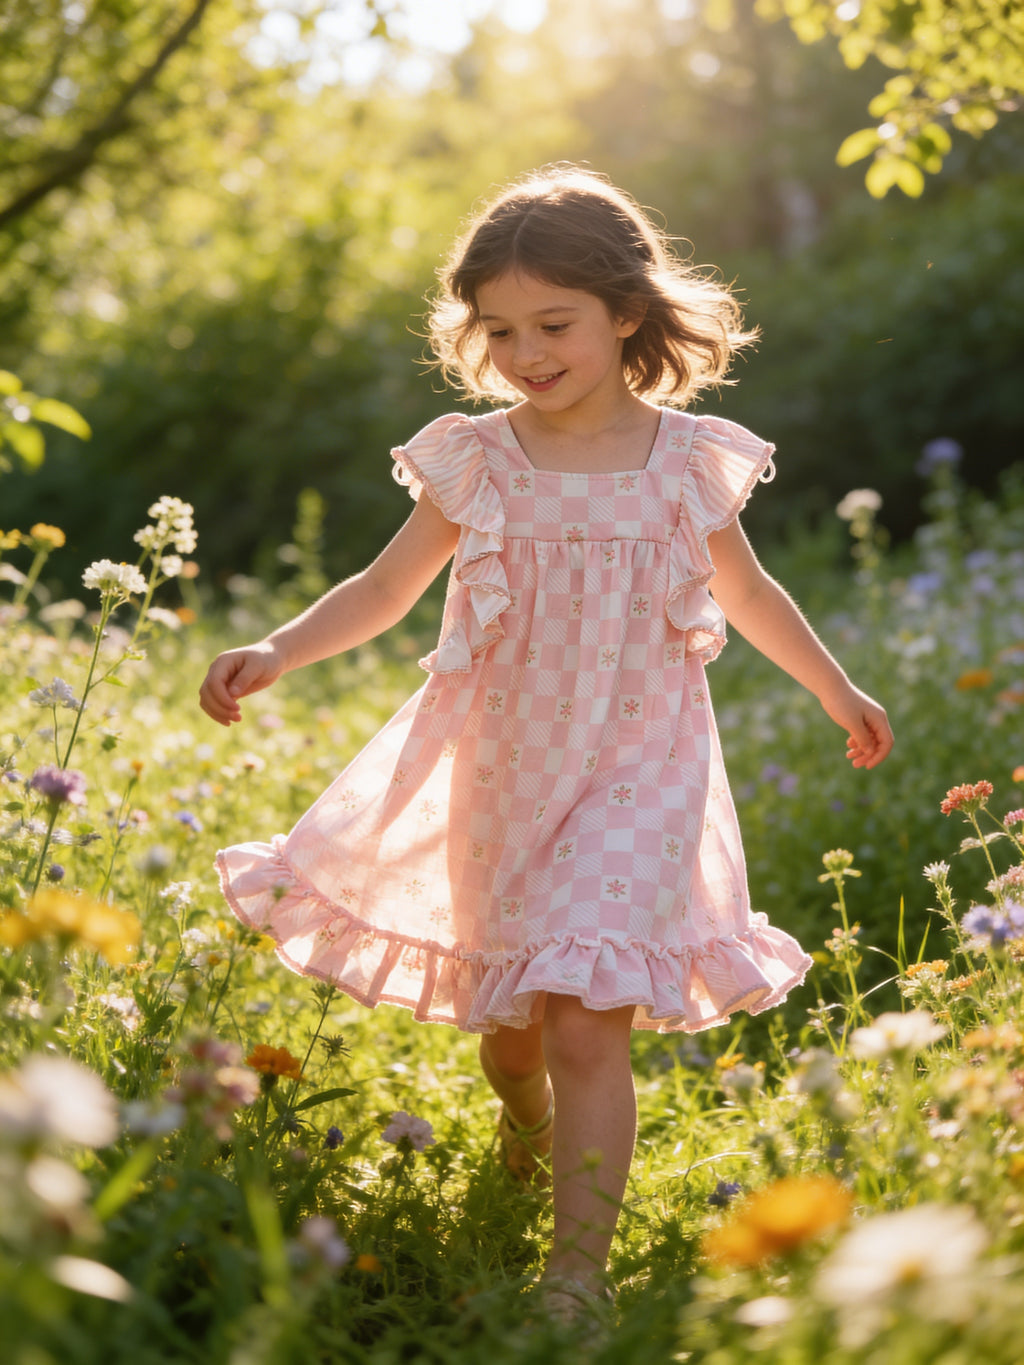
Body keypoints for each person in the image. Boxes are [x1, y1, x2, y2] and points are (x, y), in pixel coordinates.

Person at [199, 165, 893, 1323]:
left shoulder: (685, 462)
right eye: (501, 328)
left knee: (581, 1017)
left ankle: (577, 1271)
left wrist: (835, 685)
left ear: (627, 313)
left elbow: (752, 591)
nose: (526, 350)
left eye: (554, 324)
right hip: (504, 767)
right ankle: (523, 1132)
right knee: (516, 1036)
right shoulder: (478, 460)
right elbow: (382, 589)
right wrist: (276, 649)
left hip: (642, 767)